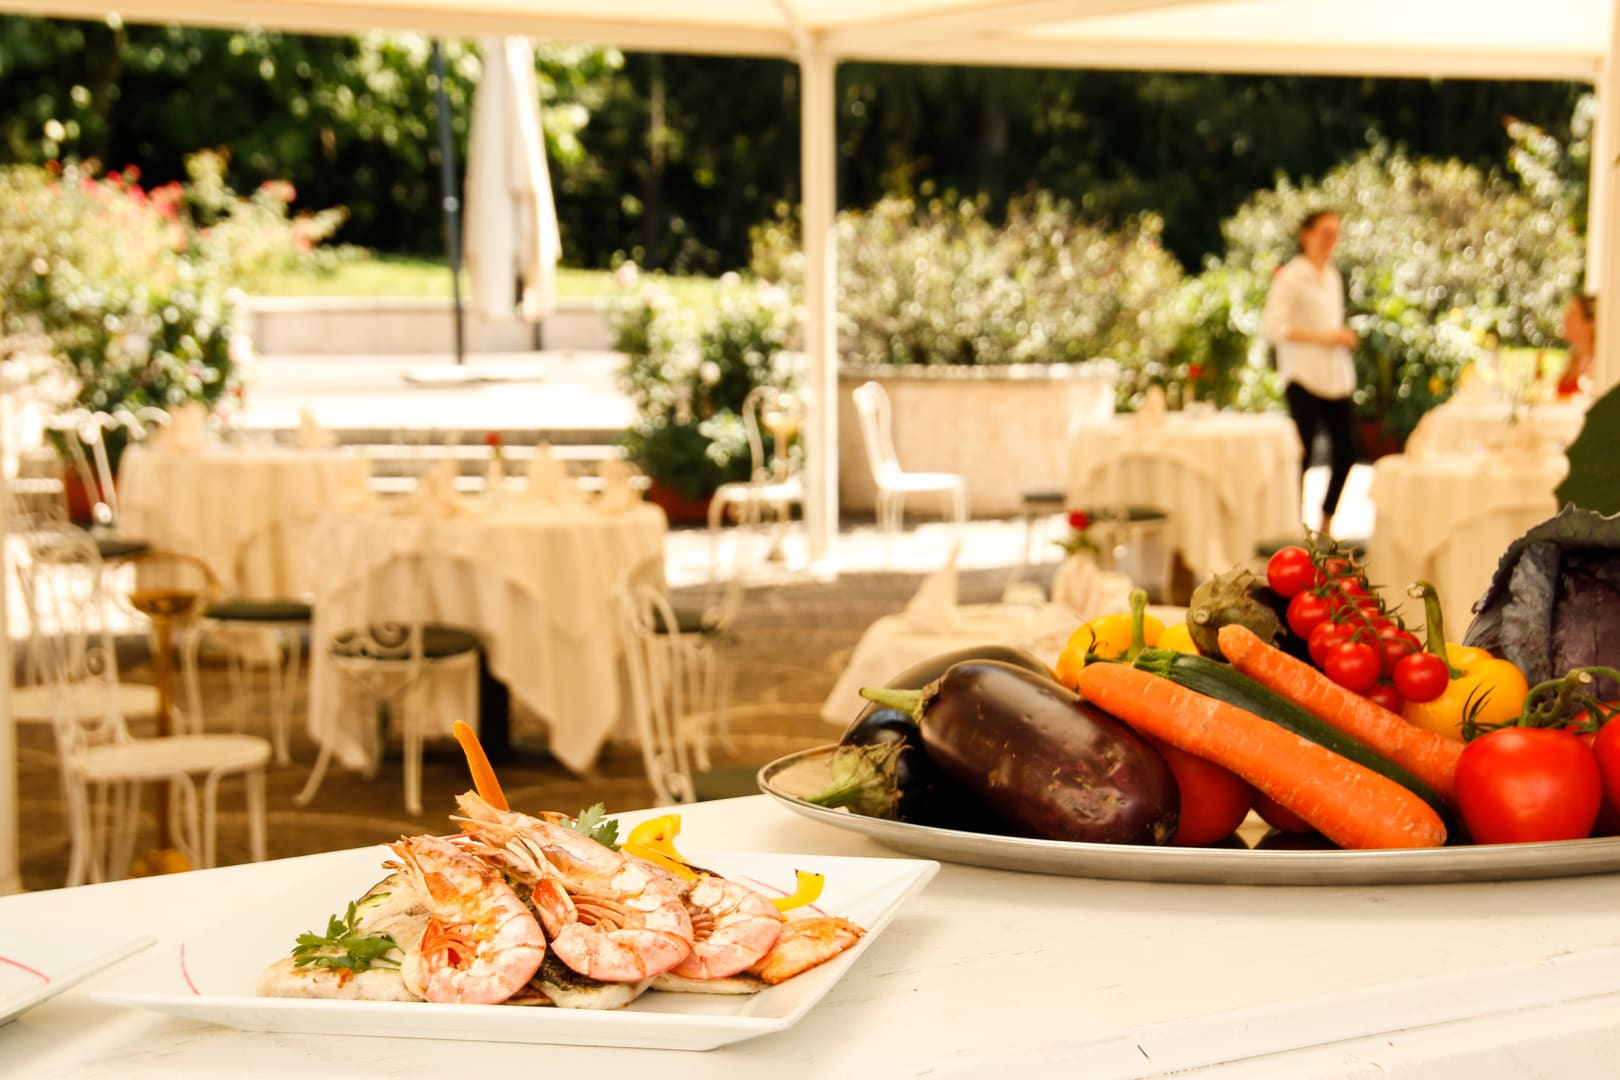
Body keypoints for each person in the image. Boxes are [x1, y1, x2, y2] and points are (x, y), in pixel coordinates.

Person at [1263, 209, 1358, 538]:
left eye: (1335, 234)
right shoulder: (1291, 276)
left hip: (1335, 375)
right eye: (1325, 232)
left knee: (1346, 451)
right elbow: (1274, 328)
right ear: (1306, 234)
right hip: (1303, 375)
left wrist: (1339, 337)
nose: (1331, 240)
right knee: (1300, 454)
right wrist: (1325, 336)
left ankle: (1326, 523)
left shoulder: (1332, 276)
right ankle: (1295, 526)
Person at [1555, 293, 1596, 398]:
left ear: (1589, 324)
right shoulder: (1573, 360)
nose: (1565, 320)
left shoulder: (1598, 365)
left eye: (1572, 314)